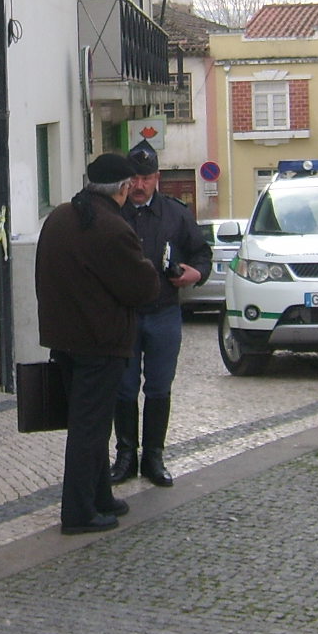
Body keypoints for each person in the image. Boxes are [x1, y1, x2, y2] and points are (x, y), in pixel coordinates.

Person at [35, 152, 163, 534]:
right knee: (89, 430)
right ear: (124, 188)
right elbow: (143, 288)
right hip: (100, 342)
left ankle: (100, 496)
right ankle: (78, 512)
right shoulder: (111, 228)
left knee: (89, 424)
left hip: (65, 339)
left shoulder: (60, 216)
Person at [112, 140, 212, 488]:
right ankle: (125, 455)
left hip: (164, 311)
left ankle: (153, 455)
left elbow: (202, 254)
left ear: (157, 178)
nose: (139, 187)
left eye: (147, 179)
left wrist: (195, 274)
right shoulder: (114, 211)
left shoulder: (176, 213)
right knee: (123, 388)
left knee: (158, 387)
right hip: (124, 315)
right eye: (134, 179)